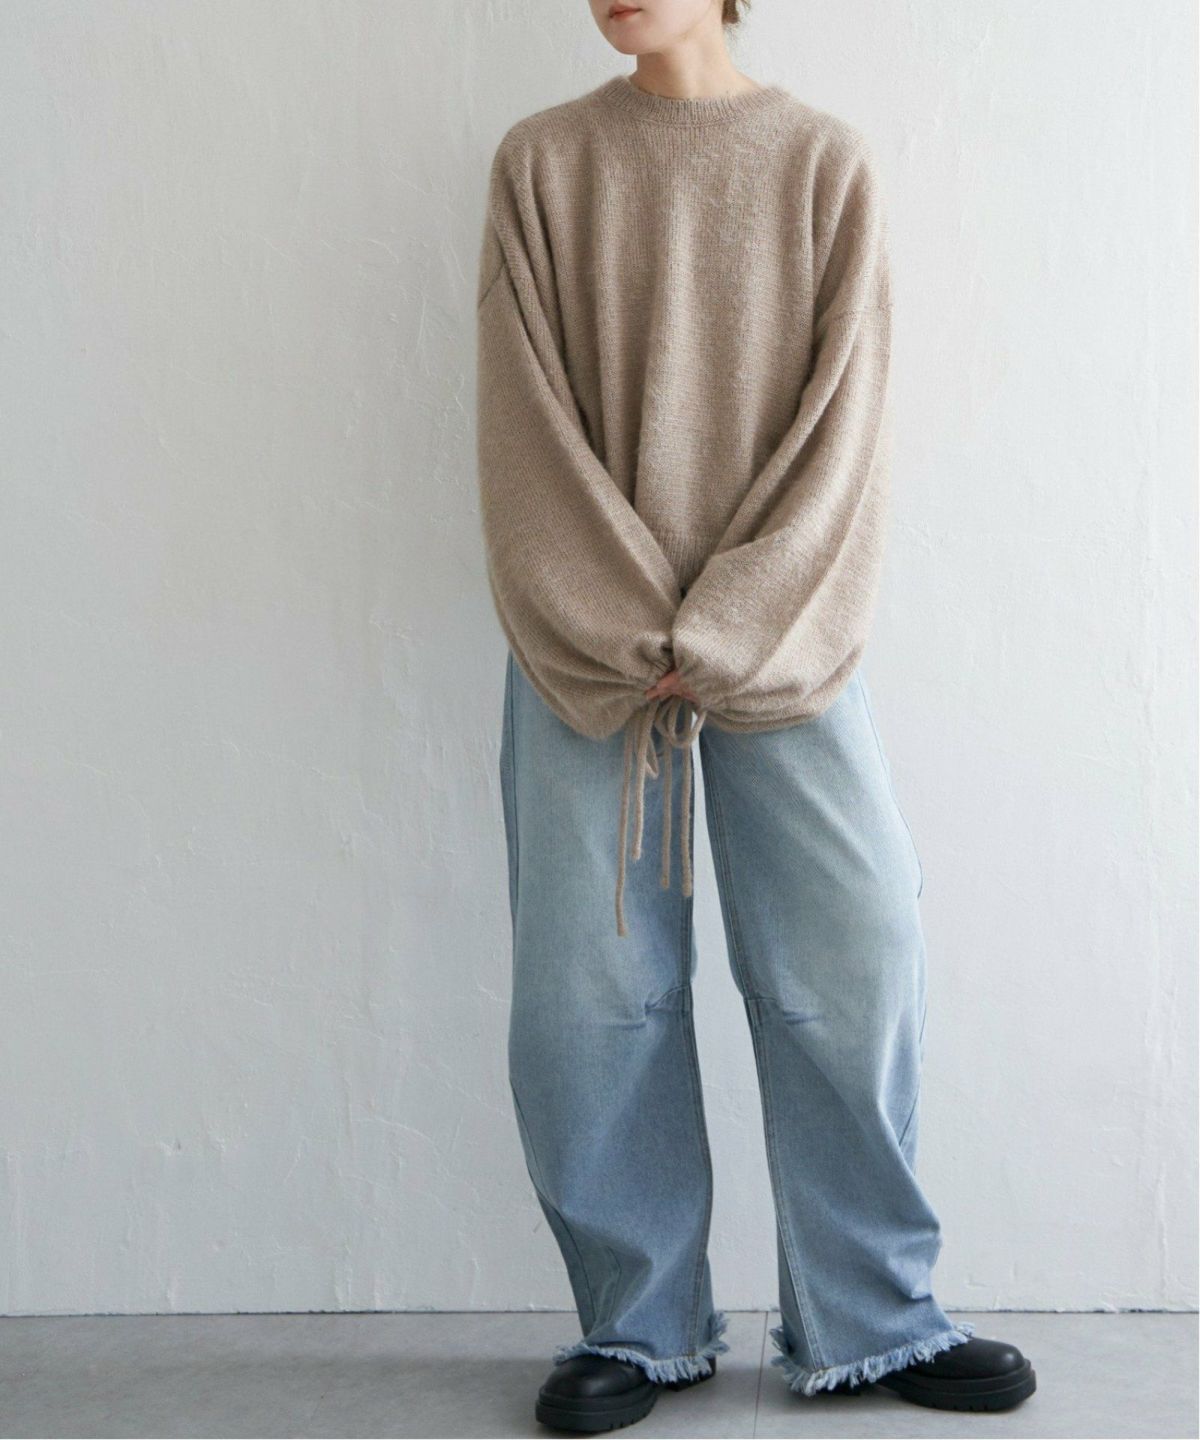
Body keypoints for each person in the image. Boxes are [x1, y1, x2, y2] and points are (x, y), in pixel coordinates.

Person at [474, 1, 1037, 1431]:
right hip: (590, 654)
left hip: (785, 644)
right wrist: (626, 626)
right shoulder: (542, 163)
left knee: (857, 957)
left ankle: (870, 1317)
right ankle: (637, 1324)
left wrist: (726, 629)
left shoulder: (820, 161)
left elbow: (845, 427)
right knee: (586, 995)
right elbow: (523, 424)